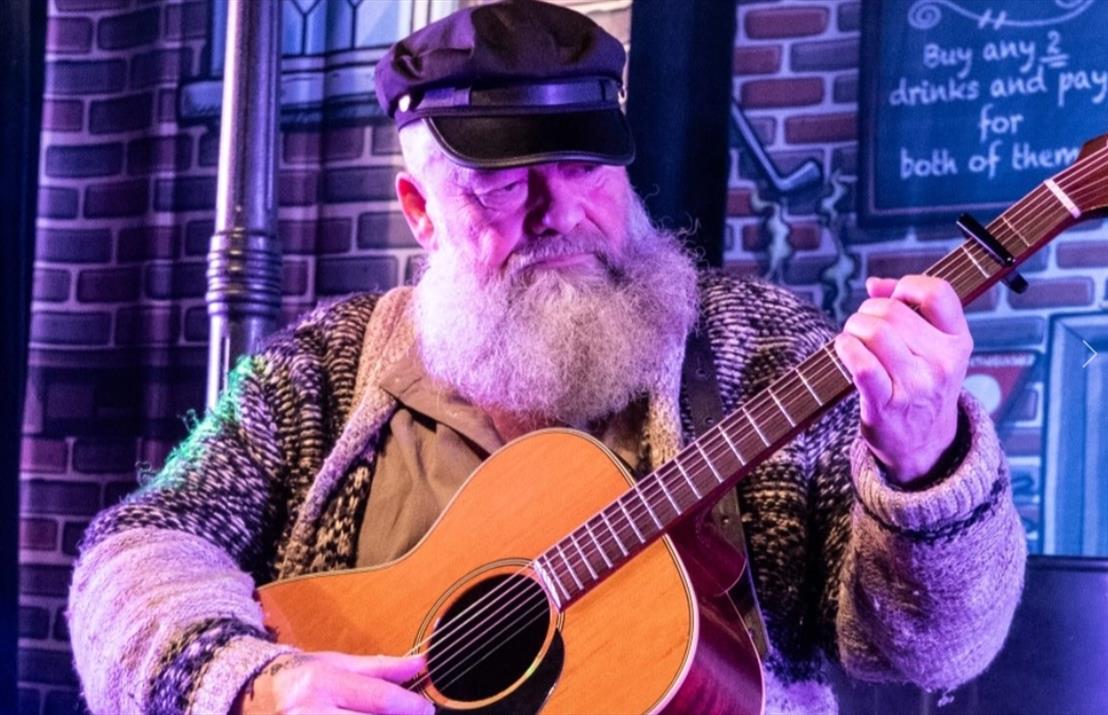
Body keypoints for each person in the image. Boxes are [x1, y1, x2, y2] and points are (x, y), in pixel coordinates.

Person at [68, 2, 1026, 713]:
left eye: (582, 166)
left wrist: (924, 463)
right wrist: (253, 683)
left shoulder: (771, 354)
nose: (558, 209)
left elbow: (935, 650)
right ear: (419, 209)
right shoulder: (322, 370)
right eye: (500, 181)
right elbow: (138, 545)